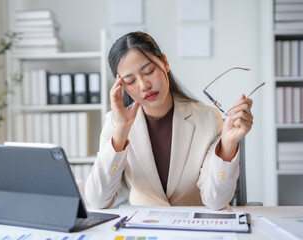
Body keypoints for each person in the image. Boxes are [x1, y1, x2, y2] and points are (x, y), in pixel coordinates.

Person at [85, 31, 253, 210]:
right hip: (143, 227)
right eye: (130, 80)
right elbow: (97, 200)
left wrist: (227, 144)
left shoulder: (208, 118)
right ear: (121, 86)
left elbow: (216, 201)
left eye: (149, 71)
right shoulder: (114, 122)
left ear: (165, 62)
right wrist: (121, 130)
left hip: (193, 228)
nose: (144, 86)